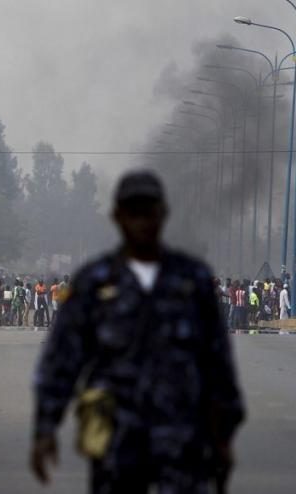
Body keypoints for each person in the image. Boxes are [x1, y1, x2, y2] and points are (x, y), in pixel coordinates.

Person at [31, 170, 244, 493]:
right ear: (118, 216)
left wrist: (224, 436)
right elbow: (63, 359)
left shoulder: (192, 280)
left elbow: (217, 363)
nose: (143, 221)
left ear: (164, 213)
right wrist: (45, 427)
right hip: (116, 438)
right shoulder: (95, 281)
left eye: (150, 211)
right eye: (134, 212)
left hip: (182, 438)